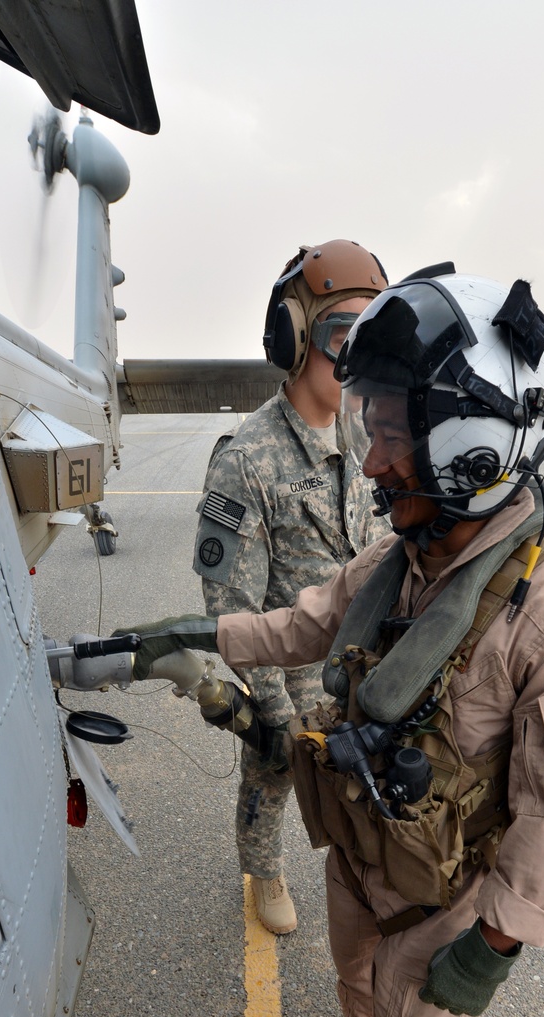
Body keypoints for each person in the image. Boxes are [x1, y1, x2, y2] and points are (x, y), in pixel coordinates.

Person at [119, 269, 544, 1017]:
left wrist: (490, 949)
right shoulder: (404, 555)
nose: (376, 453)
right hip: (362, 851)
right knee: (358, 984)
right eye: (373, 421)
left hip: (451, 901)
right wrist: (193, 634)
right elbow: (303, 621)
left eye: (398, 428)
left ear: (473, 444)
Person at [193, 239, 390, 934]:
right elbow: (230, 607)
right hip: (286, 665)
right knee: (273, 773)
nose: (357, 358)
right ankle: (263, 870)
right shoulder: (247, 458)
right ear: (297, 338)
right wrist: (272, 708)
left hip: (359, 661)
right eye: (343, 337)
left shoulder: (367, 435)